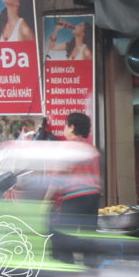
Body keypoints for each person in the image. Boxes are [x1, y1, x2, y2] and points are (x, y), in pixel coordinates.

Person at [47, 112, 101, 263]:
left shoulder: (67, 147)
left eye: (66, 125)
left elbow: (57, 177)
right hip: (93, 196)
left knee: (59, 236)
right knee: (89, 236)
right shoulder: (92, 149)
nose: (64, 128)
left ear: (71, 127)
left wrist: (46, 200)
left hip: (74, 196)